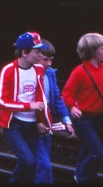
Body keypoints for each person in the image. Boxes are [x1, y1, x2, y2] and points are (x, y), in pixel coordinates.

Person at [0, 31, 52, 183]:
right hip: (14, 125)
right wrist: (28, 106)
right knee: (28, 161)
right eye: (37, 51)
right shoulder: (8, 70)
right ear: (24, 52)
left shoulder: (38, 70)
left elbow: (40, 97)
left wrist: (41, 120)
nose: (41, 55)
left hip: (32, 124)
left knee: (34, 164)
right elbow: (1, 101)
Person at [62, 32, 103, 183]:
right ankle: (82, 178)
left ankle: (80, 175)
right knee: (98, 153)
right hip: (83, 118)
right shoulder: (80, 71)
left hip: (98, 117)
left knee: (87, 150)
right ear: (93, 51)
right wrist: (72, 107)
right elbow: (67, 92)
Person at [35, 40, 74, 184]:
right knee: (43, 165)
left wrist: (66, 119)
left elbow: (57, 98)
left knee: (41, 162)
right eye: (45, 60)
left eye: (51, 60)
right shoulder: (29, 75)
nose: (49, 63)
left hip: (46, 122)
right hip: (33, 124)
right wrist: (37, 121)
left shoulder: (50, 73)